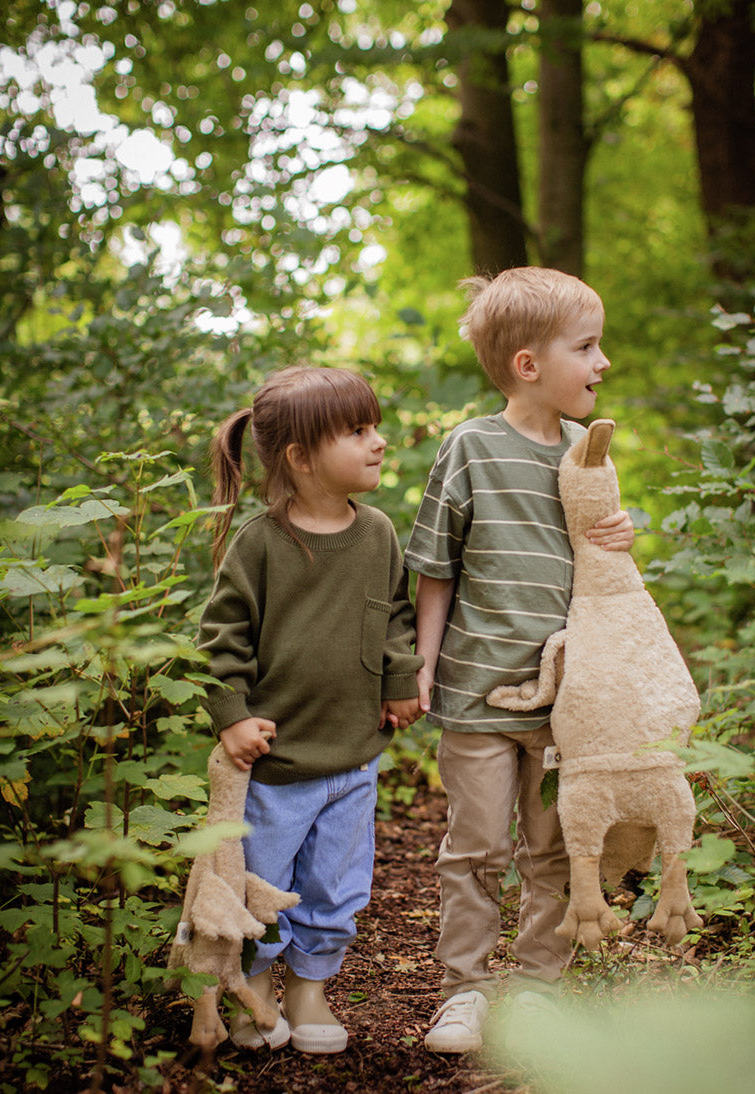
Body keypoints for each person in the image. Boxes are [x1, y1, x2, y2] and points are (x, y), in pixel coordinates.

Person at [404, 267, 635, 1053]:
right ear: (530, 364)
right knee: (474, 848)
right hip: (474, 691)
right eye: (588, 346)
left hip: (567, 701)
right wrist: (423, 666)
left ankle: (538, 986)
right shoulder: (470, 447)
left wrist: (619, 541)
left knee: (555, 847)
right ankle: (463, 991)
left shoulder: (588, 450)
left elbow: (604, 570)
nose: (603, 363)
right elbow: (435, 567)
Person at [197, 366, 423, 1054]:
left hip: (353, 756)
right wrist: (232, 714)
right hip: (274, 767)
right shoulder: (261, 544)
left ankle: (311, 990)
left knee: (336, 884)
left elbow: (395, 618)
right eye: (358, 431)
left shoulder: (379, 532)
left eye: (374, 426)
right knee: (265, 885)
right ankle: (256, 989)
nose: (379, 442)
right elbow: (221, 637)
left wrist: (399, 679)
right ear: (299, 458)